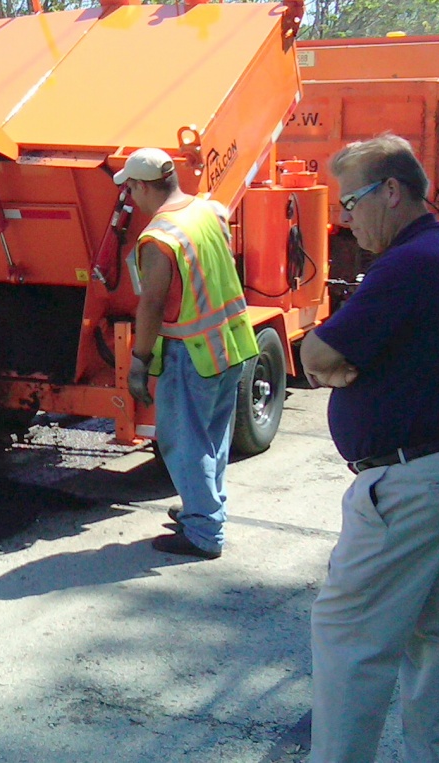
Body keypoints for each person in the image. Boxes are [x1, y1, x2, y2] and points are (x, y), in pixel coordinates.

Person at [301, 133, 439, 762]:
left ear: (393, 191)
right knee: (437, 633)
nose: (344, 217)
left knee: (349, 640)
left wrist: (331, 361)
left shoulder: (407, 265)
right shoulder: (431, 253)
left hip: (406, 483)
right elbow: (330, 356)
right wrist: (335, 360)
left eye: (351, 202)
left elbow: (317, 353)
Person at [118, 148, 259, 560]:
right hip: (232, 343)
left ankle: (203, 532)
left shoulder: (159, 238)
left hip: (192, 354)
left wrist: (139, 361)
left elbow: (152, 305)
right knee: (213, 435)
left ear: (144, 187)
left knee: (182, 442)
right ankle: (205, 506)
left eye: (130, 187)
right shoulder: (207, 211)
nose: (129, 195)